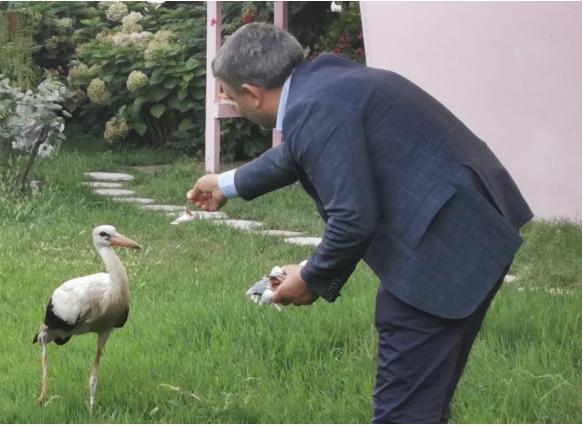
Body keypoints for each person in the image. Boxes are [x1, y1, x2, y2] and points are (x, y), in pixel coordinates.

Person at [187, 22, 533, 423]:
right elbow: (296, 152)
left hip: (445, 247)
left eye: (230, 98)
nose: (234, 107)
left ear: (251, 93)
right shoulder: (325, 78)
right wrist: (225, 185)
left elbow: (352, 219)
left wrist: (313, 277)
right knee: (425, 393)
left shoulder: (311, 108)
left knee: (403, 406)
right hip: (474, 219)